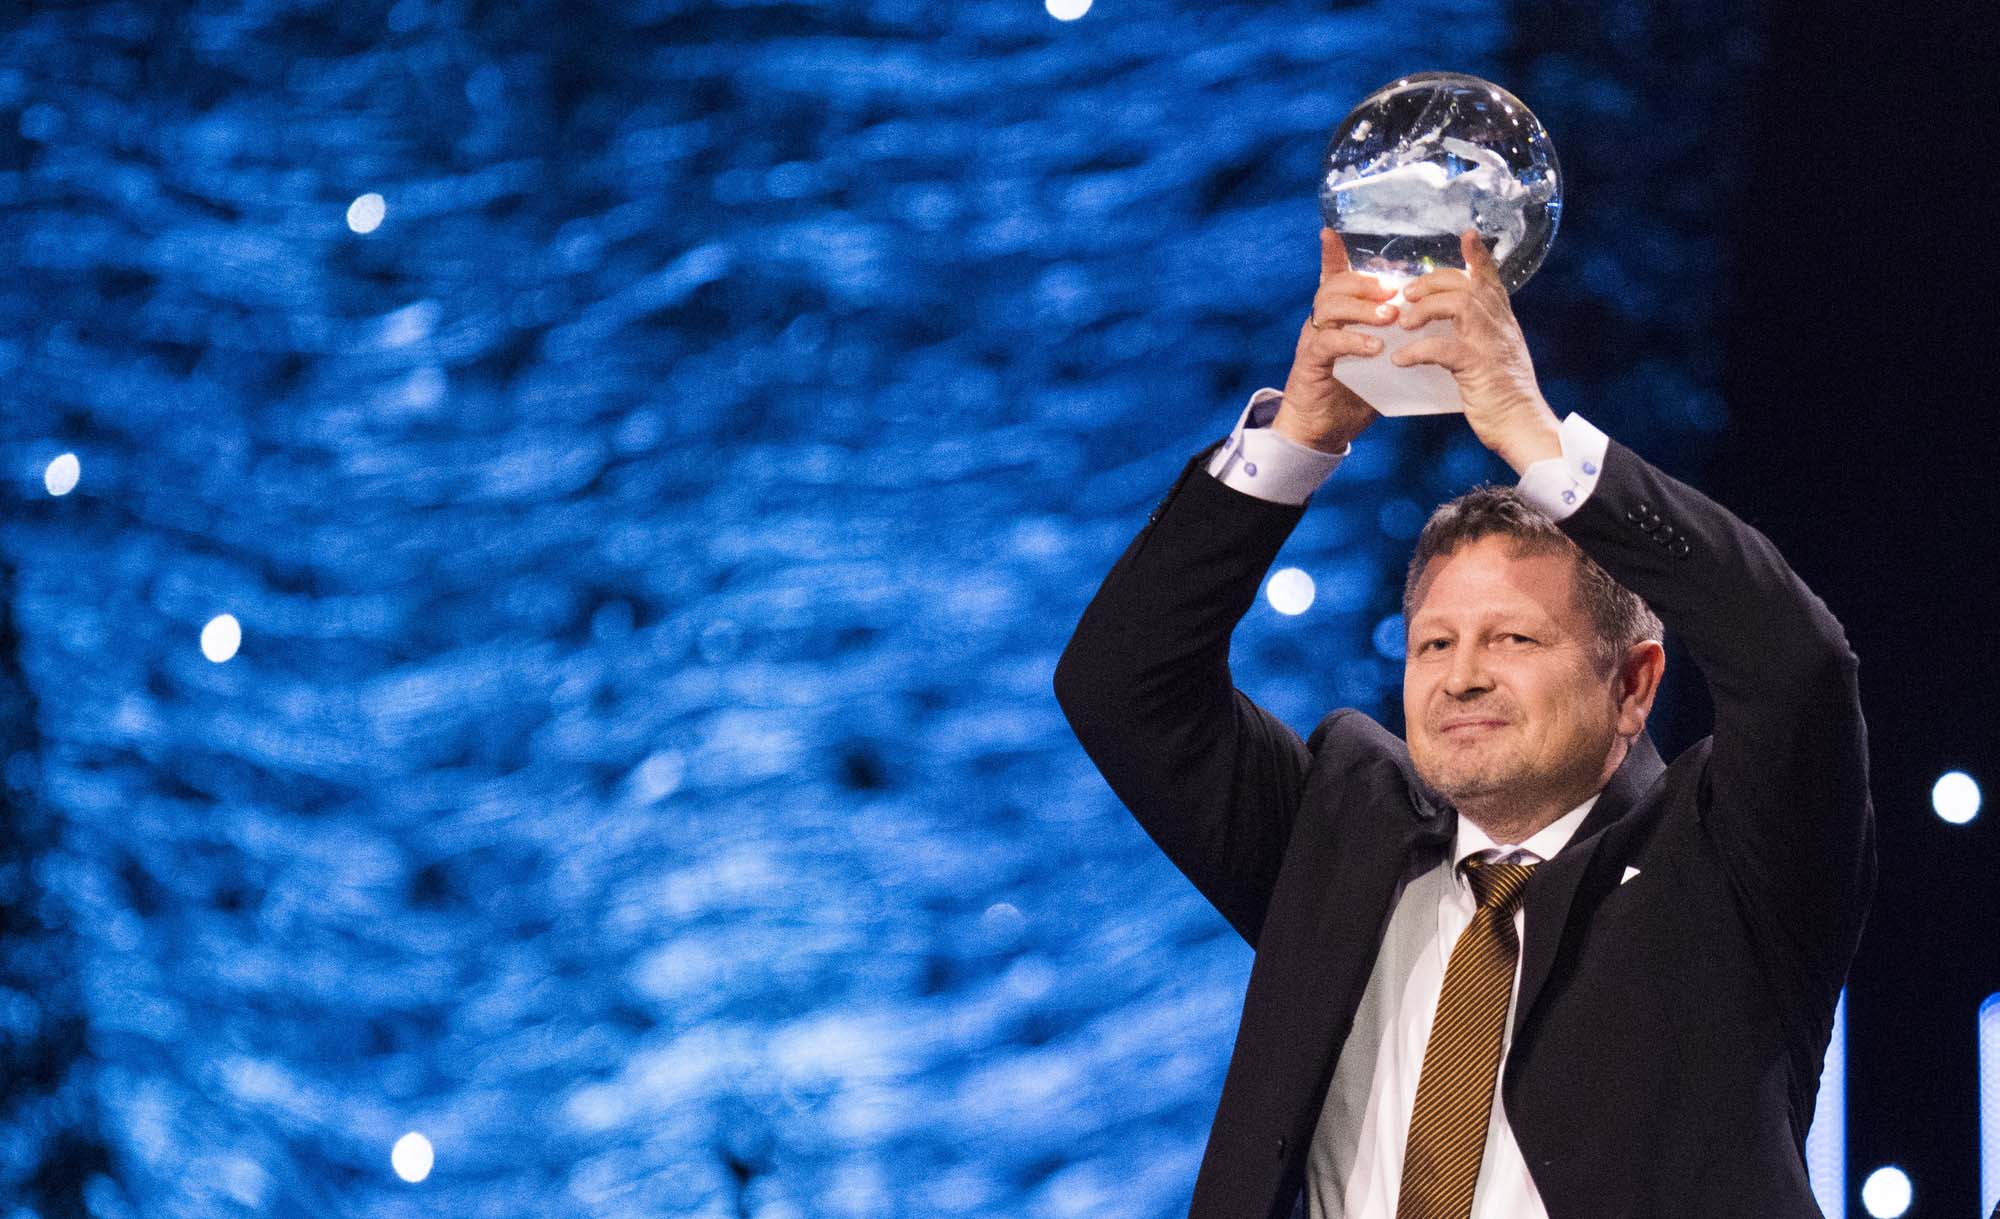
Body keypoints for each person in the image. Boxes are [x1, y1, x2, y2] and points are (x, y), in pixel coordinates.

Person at [1053, 229, 1874, 1218]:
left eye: (1513, 641)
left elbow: (1796, 664)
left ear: (1632, 684)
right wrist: (1299, 436)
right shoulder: (1341, 834)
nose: (1460, 677)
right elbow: (1119, 680)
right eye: (1432, 645)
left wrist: (1532, 434)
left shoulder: (1728, 866)